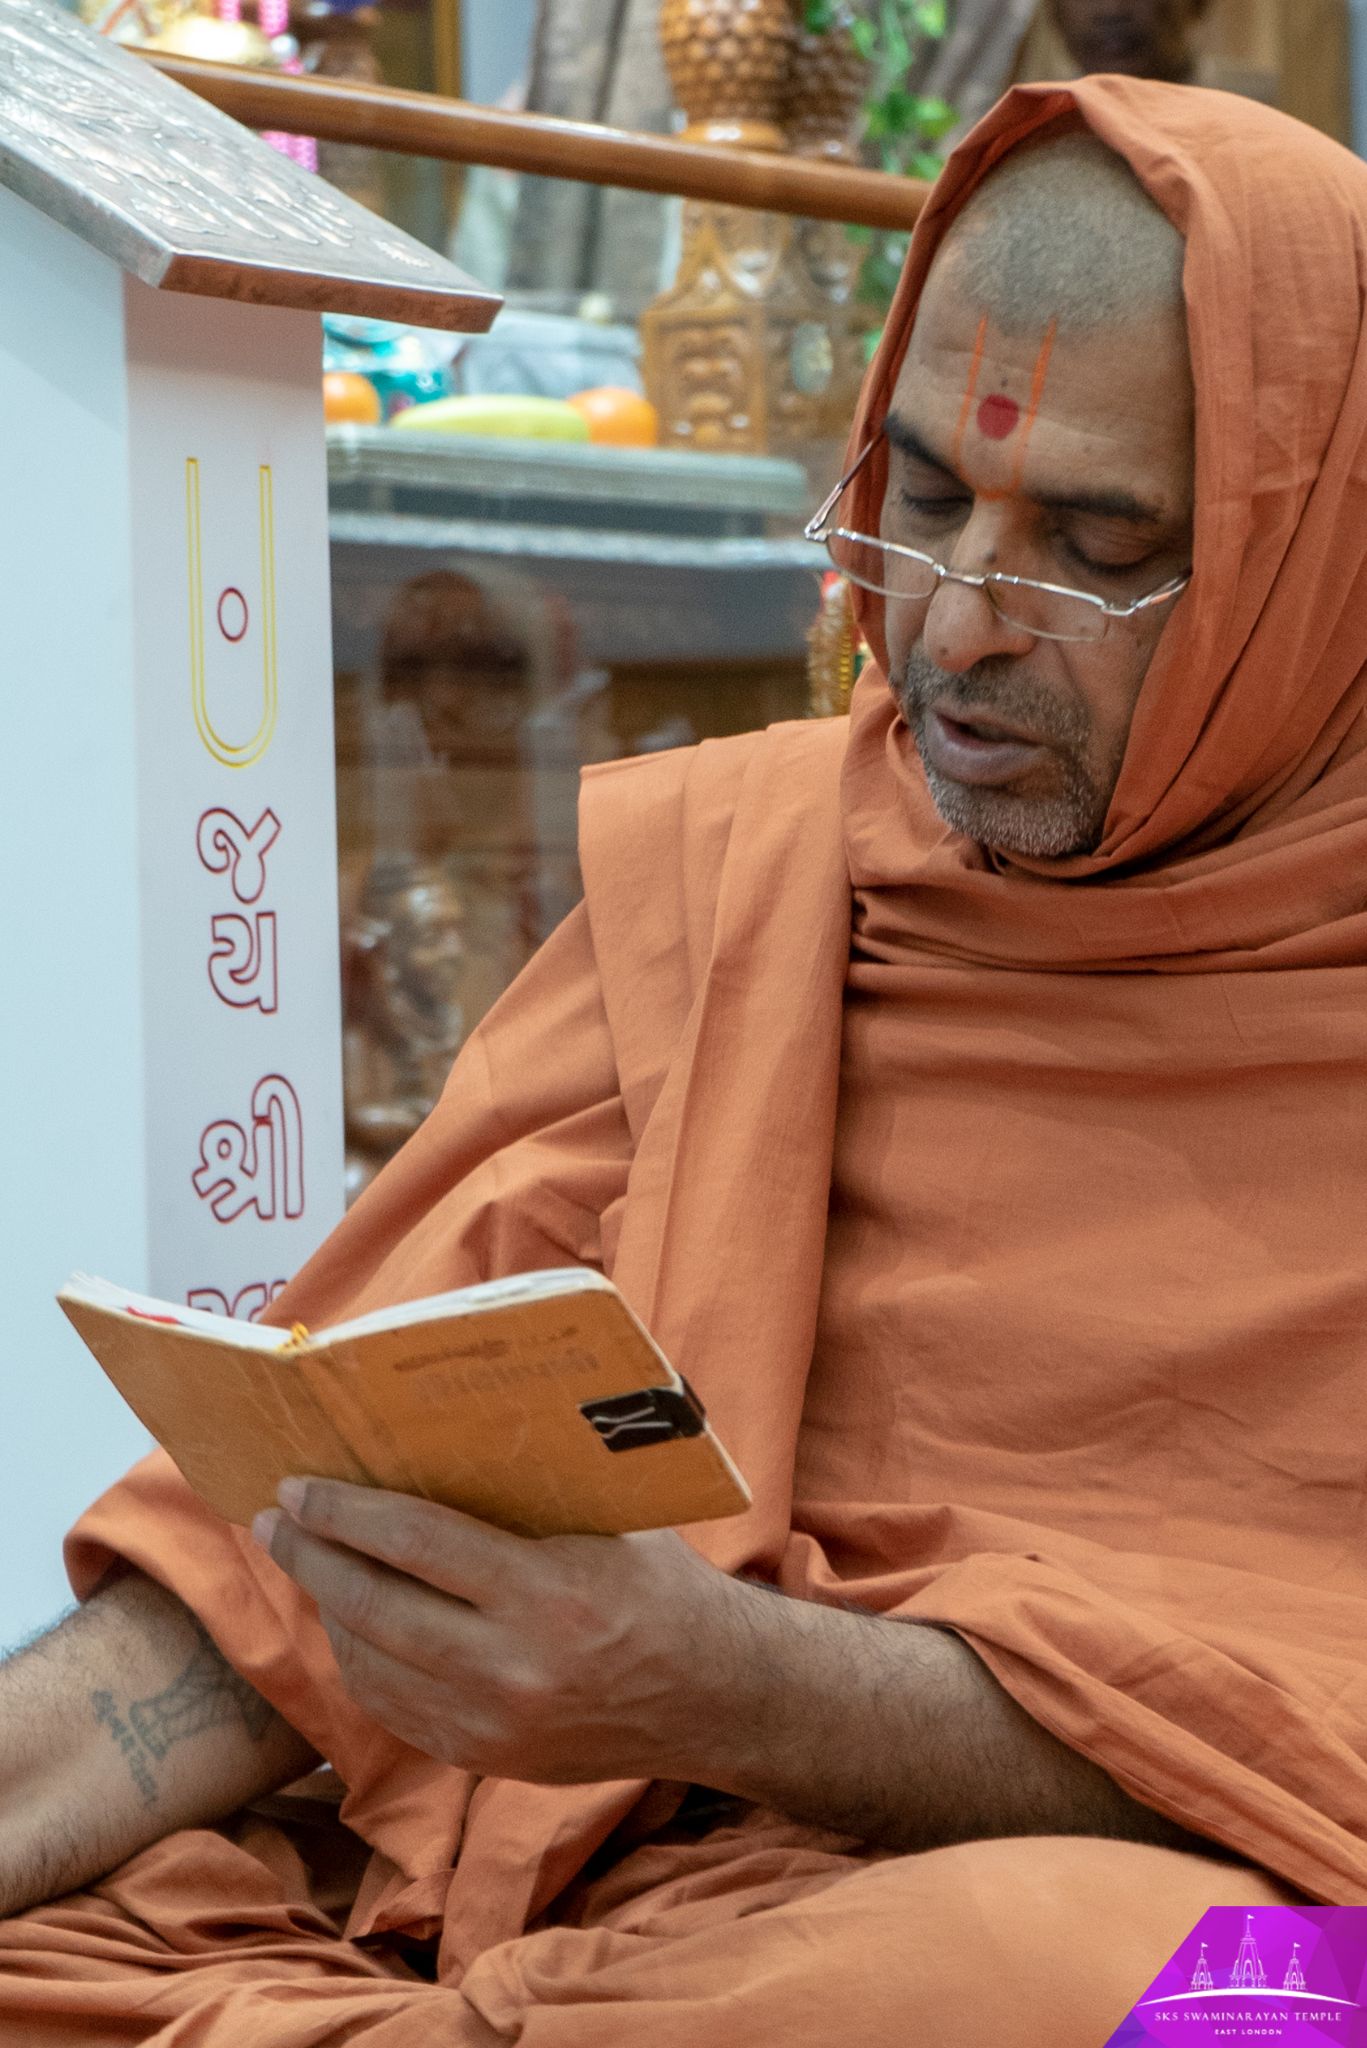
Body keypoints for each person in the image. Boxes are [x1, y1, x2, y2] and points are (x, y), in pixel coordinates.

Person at [3, 73, 1367, 2044]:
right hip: (640, 1887)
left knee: (1143, 1990)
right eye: (919, 493)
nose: (962, 624)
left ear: (1307, 566)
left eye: (1088, 542)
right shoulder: (754, 881)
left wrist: (731, 1683)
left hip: (1094, 1923)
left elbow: (1295, 1738)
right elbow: (297, 1566)